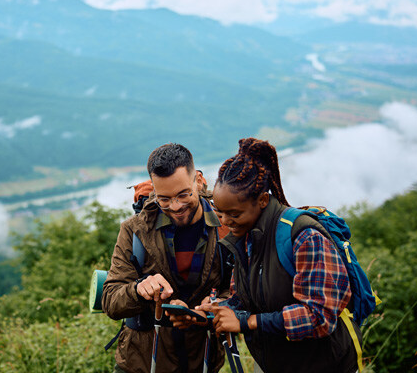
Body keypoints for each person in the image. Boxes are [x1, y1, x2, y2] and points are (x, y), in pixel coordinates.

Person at [198, 137, 360, 373]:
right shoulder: (245, 238)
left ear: (263, 200)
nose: (225, 222)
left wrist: (248, 322)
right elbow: (247, 299)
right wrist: (220, 309)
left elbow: (319, 316)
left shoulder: (304, 237)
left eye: (233, 213)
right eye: (220, 212)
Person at [102, 143, 231, 373]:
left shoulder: (226, 228)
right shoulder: (135, 230)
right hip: (140, 364)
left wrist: (212, 311)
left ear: (197, 181)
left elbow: (242, 292)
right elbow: (111, 300)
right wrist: (139, 289)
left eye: (184, 194)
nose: (175, 206)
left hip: (202, 361)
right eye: (164, 199)